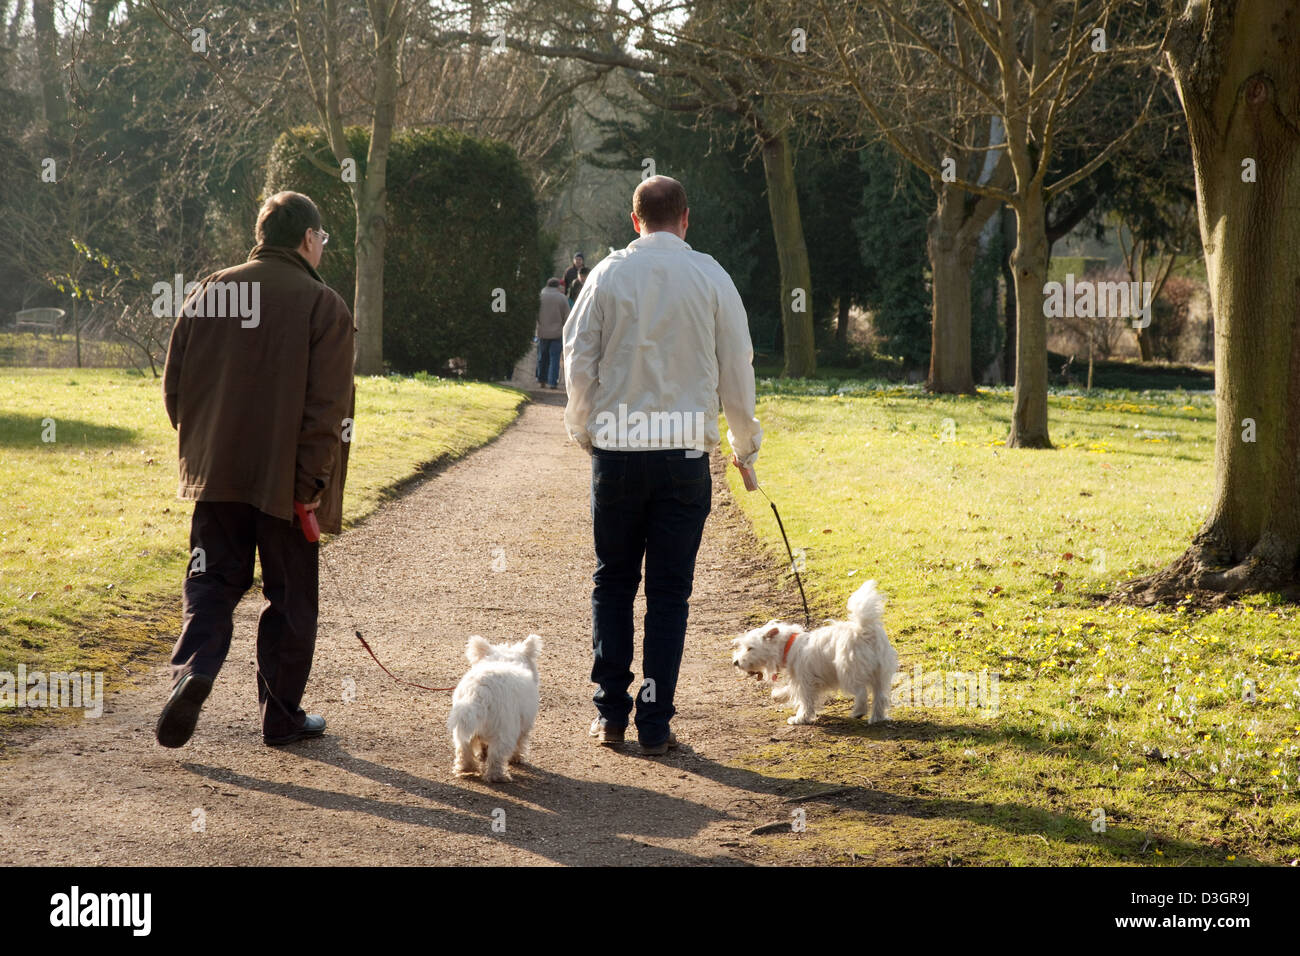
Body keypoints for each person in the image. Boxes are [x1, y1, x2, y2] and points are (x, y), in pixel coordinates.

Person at [563, 175, 762, 755]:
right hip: (682, 455)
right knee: (670, 593)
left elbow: (578, 359)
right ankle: (654, 719)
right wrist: (743, 445)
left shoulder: (605, 275)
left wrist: (583, 429)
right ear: (685, 218)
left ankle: (610, 714)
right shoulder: (711, 277)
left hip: (619, 451)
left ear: (634, 221)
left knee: (613, 583)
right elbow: (737, 366)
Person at [156, 190, 356, 749]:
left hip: (216, 477)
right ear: (309, 239)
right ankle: (281, 716)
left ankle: (194, 669)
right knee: (290, 599)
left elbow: (175, 389)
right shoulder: (324, 306)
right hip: (287, 487)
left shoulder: (209, 292)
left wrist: (205, 448)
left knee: (211, 582)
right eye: (323, 239)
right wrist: (311, 486)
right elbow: (326, 412)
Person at [536, 277, 570, 389]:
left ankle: (542, 379)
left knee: (542, 357)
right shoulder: (562, 298)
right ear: (557, 286)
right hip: (557, 332)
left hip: (542, 331)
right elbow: (567, 316)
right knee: (554, 358)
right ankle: (553, 382)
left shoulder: (540, 297)